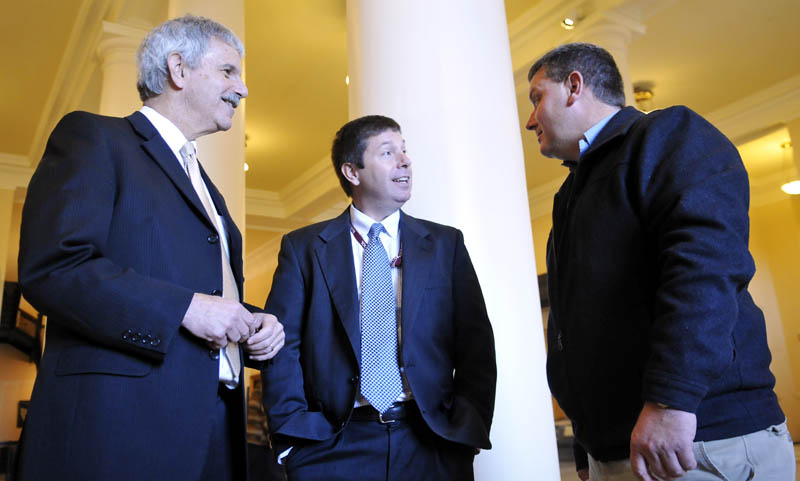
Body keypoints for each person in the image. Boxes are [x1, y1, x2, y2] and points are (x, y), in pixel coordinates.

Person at [16, 15, 284, 481]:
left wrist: (251, 321)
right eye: (228, 72)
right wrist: (185, 308)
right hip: (118, 435)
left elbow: (202, 293)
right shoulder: (95, 138)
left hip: (216, 434)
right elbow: (54, 267)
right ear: (178, 70)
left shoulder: (209, 189)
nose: (242, 90)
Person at [526, 42, 794, 481]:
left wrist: (671, 402)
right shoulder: (570, 194)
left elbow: (703, 273)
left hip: (694, 441)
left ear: (574, 86)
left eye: (537, 97)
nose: (530, 118)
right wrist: (588, 444)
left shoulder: (669, 135)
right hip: (619, 448)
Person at [260, 115, 496, 481]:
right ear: (352, 172)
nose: (405, 160)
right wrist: (293, 439)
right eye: (388, 152)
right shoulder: (303, 248)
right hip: (332, 446)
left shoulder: (445, 245)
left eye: (404, 151)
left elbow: (476, 345)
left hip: (432, 443)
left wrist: (466, 431)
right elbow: (282, 345)